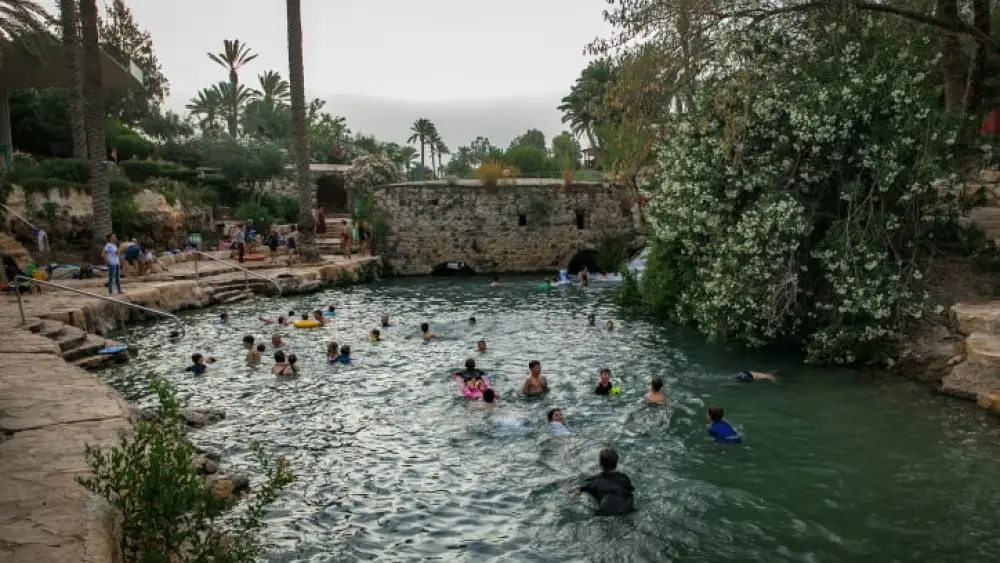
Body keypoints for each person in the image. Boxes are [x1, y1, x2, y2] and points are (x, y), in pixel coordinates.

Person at [574, 448, 635, 516]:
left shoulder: (594, 481)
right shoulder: (624, 478)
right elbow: (631, 491)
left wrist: (577, 493)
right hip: (626, 510)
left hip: (606, 513)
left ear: (600, 464)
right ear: (616, 464)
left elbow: (580, 488)